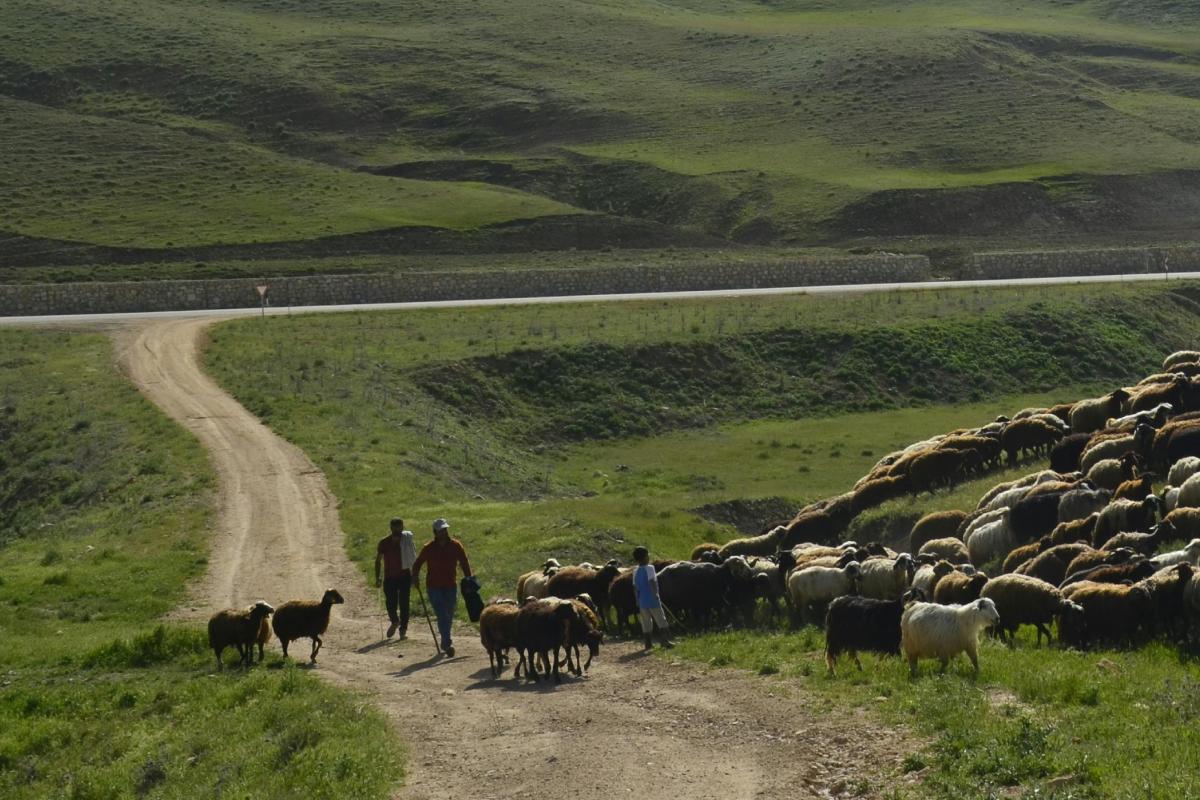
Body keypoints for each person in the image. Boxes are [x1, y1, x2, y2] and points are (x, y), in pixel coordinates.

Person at [412, 518, 473, 657]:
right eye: (441, 530)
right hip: (433, 586)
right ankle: (447, 643)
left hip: (450, 585)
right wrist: (415, 577)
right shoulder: (429, 548)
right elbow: (418, 563)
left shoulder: (456, 545)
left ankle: (445, 639)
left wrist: (469, 578)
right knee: (442, 613)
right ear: (435, 532)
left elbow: (464, 562)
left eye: (445, 529)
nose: (444, 532)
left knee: (449, 614)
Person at [375, 518, 416, 639]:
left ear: (402, 527)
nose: (398, 531)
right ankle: (395, 621)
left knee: (404, 604)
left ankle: (403, 629)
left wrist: (414, 575)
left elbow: (413, 557)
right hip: (390, 577)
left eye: (400, 528)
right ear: (391, 528)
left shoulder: (407, 541)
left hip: (405, 576)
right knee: (390, 603)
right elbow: (378, 560)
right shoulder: (384, 542)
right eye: (396, 528)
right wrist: (378, 577)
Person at [632, 545, 673, 650]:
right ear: (645, 557)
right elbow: (652, 582)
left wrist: (637, 600)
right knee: (661, 619)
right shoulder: (650, 568)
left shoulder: (635, 571)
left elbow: (635, 587)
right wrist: (656, 595)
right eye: (647, 555)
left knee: (646, 622)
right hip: (652, 598)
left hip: (642, 600)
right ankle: (664, 641)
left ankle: (648, 644)